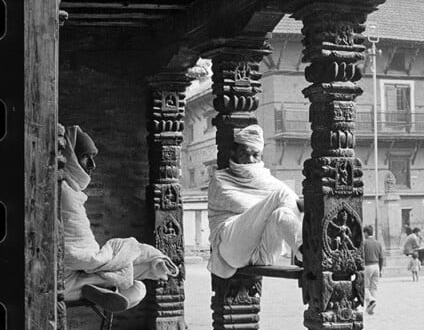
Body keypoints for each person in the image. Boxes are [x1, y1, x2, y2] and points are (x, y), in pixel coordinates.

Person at [61, 125, 179, 311]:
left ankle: (108, 289)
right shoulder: (65, 194)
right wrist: (118, 251)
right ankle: (104, 289)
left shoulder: (68, 190)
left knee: (135, 278)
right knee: (137, 280)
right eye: (85, 157)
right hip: (63, 283)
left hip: (72, 275)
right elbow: (82, 258)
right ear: (71, 158)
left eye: (93, 158)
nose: (92, 165)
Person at [207, 124, 303, 279]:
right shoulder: (220, 179)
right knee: (282, 195)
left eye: (255, 155)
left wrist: (268, 209)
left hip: (262, 254)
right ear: (234, 154)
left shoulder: (267, 181)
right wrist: (266, 206)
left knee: (282, 212)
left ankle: (305, 253)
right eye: (244, 153)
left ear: (261, 157)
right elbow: (243, 205)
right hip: (231, 248)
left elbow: (291, 203)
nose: (250, 160)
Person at [363, 225, 384, 315]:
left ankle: (371, 300)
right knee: (374, 288)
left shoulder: (364, 243)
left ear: (366, 233)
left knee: (364, 287)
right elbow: (381, 257)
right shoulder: (378, 243)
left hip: (367, 266)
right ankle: (370, 308)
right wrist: (381, 269)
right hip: (377, 266)